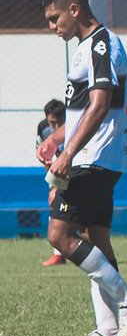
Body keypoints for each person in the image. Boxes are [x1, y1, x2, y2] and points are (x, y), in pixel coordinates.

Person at [42, 0, 127, 336]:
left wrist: (68, 153)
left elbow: (101, 105)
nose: (52, 27)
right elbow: (81, 111)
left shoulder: (103, 43)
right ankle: (107, 328)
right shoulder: (83, 48)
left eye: (55, 18)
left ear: (74, 10)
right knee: (96, 239)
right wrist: (55, 141)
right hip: (92, 156)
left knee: (59, 235)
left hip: (94, 157)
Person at [36, 99, 67, 266]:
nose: (55, 127)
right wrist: (52, 184)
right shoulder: (43, 128)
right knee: (55, 205)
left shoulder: (73, 125)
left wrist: (57, 186)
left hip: (74, 170)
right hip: (57, 171)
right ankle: (58, 254)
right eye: (51, 122)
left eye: (58, 122)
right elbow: (45, 157)